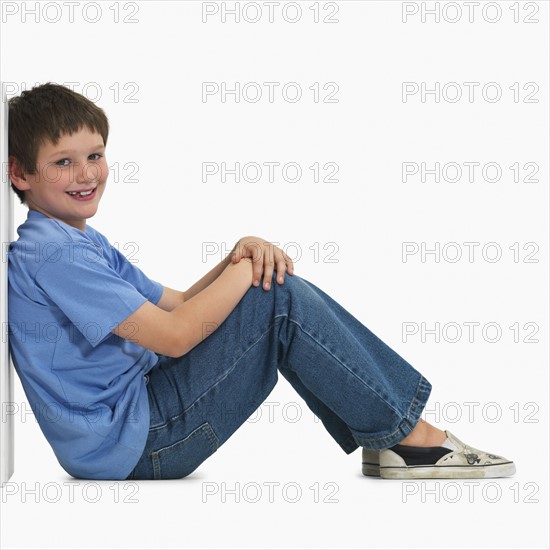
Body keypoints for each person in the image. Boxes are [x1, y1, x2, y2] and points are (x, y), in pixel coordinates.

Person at [7, 82, 516, 481]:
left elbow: (179, 303)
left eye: (94, 156)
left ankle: (394, 436)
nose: (86, 174)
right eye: (63, 163)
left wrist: (238, 255)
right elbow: (176, 335)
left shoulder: (76, 241)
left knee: (267, 289)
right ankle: (410, 439)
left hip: (134, 426)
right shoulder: (54, 254)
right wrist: (252, 273)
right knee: (279, 298)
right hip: (140, 442)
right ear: (20, 174)